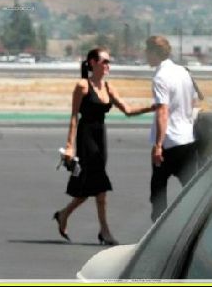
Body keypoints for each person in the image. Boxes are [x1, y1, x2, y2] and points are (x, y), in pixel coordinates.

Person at [53, 47, 154, 244]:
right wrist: (69, 145)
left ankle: (63, 214)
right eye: (104, 61)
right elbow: (74, 116)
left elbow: (128, 110)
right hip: (86, 137)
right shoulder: (82, 86)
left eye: (109, 62)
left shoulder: (109, 88)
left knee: (88, 188)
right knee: (100, 186)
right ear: (92, 63)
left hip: (101, 137)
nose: (108, 65)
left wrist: (153, 107)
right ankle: (104, 231)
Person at [145, 36, 198, 222]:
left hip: (168, 142)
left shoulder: (160, 77)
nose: (145, 56)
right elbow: (192, 101)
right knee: (193, 190)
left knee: (158, 195)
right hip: (187, 139)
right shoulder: (183, 71)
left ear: (154, 53)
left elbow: (162, 112)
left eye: (147, 51)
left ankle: (159, 235)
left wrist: (158, 145)